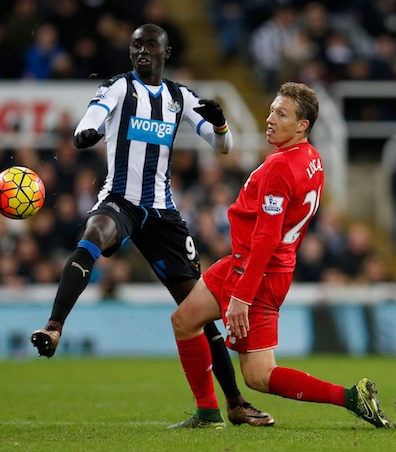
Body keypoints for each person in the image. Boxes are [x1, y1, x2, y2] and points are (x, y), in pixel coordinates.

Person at [30, 23, 273, 427]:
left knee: (197, 311)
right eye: (136, 45)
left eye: (150, 45)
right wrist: (87, 132)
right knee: (92, 238)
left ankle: (231, 404)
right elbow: (88, 123)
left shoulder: (179, 97)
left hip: (161, 213)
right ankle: (54, 327)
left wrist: (221, 125)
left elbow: (222, 147)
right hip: (120, 201)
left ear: (166, 51)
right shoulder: (119, 88)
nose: (142, 51)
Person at [168, 81, 394, 429]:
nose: (270, 118)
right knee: (184, 321)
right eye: (272, 109)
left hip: (257, 273)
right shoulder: (311, 159)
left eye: (281, 113)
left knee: (258, 376)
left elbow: (268, 236)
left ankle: (351, 397)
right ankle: (208, 413)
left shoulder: (279, 168)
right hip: (244, 264)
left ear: (302, 125)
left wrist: (242, 295)